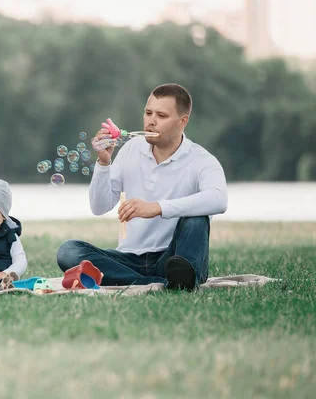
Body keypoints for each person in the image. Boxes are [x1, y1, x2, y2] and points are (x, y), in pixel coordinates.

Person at [57, 83, 228, 290]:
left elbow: (219, 200)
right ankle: (154, 283)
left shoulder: (201, 160)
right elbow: (99, 207)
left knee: (197, 216)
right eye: (148, 113)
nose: (151, 121)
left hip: (173, 257)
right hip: (128, 259)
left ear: (182, 122)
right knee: (68, 251)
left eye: (161, 116)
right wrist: (103, 162)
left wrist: (157, 207)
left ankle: (180, 275)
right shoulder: (131, 149)